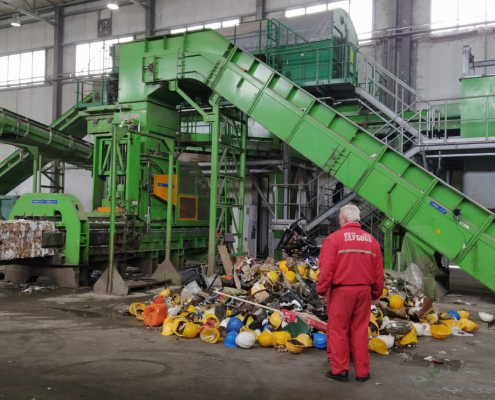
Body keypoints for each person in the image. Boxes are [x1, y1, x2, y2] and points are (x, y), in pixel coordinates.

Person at [316, 204, 383, 383]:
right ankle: (362, 373)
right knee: (360, 331)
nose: (339, 221)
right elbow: (379, 272)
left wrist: (321, 290)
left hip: (341, 292)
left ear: (344, 219)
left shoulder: (333, 239)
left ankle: (340, 371)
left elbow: (326, 270)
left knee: (339, 331)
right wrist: (376, 294)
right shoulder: (372, 241)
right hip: (364, 292)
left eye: (339, 219)